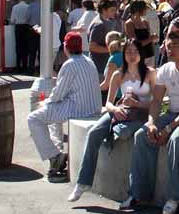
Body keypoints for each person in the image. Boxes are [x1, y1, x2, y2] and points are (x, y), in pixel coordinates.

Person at [123, 30, 179, 214]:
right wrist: (152, 123)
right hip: (171, 114)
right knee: (142, 135)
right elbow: (157, 101)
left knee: (176, 140)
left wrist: (169, 128)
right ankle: (139, 194)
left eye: (176, 46)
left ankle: (174, 197)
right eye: (169, 46)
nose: (171, 50)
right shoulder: (165, 70)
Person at [68, 38, 157, 202]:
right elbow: (108, 102)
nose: (132, 55)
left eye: (135, 52)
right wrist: (116, 109)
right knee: (94, 132)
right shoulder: (118, 74)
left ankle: (134, 192)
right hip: (120, 111)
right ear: (123, 54)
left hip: (141, 113)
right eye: (128, 52)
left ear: (141, 54)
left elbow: (156, 102)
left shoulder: (150, 73)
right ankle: (83, 182)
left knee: (125, 134)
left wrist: (136, 103)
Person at [27, 32, 101, 176]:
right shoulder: (89, 61)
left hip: (78, 109)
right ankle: (57, 150)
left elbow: (58, 95)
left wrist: (45, 102)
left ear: (66, 47)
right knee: (52, 115)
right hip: (93, 107)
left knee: (34, 118)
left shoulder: (69, 65)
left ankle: (55, 156)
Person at [88, 0, 122, 79]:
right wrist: (111, 49)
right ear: (104, 10)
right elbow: (92, 47)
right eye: (112, 10)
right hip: (100, 68)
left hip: (108, 66)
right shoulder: (99, 25)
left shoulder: (110, 21)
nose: (115, 12)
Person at [99, 31, 123, 106]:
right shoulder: (125, 55)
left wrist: (92, 91)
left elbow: (107, 84)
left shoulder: (114, 58)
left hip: (116, 97)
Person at [9, 0, 30, 73]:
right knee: (26, 47)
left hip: (18, 27)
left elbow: (12, 20)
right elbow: (29, 18)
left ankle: (18, 66)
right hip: (26, 27)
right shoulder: (28, 7)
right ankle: (25, 66)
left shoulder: (15, 7)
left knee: (18, 46)